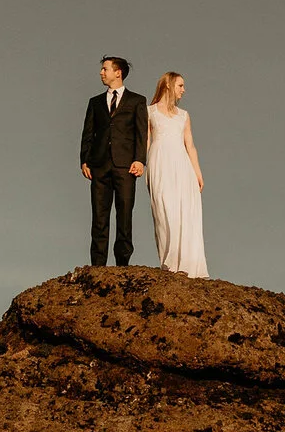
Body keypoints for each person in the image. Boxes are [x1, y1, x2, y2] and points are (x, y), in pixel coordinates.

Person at [78, 56, 148, 266]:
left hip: (125, 166)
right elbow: (87, 133)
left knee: (124, 215)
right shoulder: (95, 102)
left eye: (105, 69)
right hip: (99, 166)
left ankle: (122, 265)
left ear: (118, 72)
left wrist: (140, 160)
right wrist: (84, 160)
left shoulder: (137, 100)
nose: (101, 72)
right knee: (99, 217)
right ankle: (97, 265)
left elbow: (141, 133)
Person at [144, 70, 206, 278]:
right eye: (180, 86)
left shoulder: (184, 116)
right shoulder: (149, 112)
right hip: (159, 162)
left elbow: (190, 145)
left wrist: (197, 173)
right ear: (169, 85)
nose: (184, 90)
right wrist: (143, 167)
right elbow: (146, 141)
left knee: (184, 213)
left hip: (183, 166)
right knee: (164, 210)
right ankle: (168, 261)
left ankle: (186, 265)